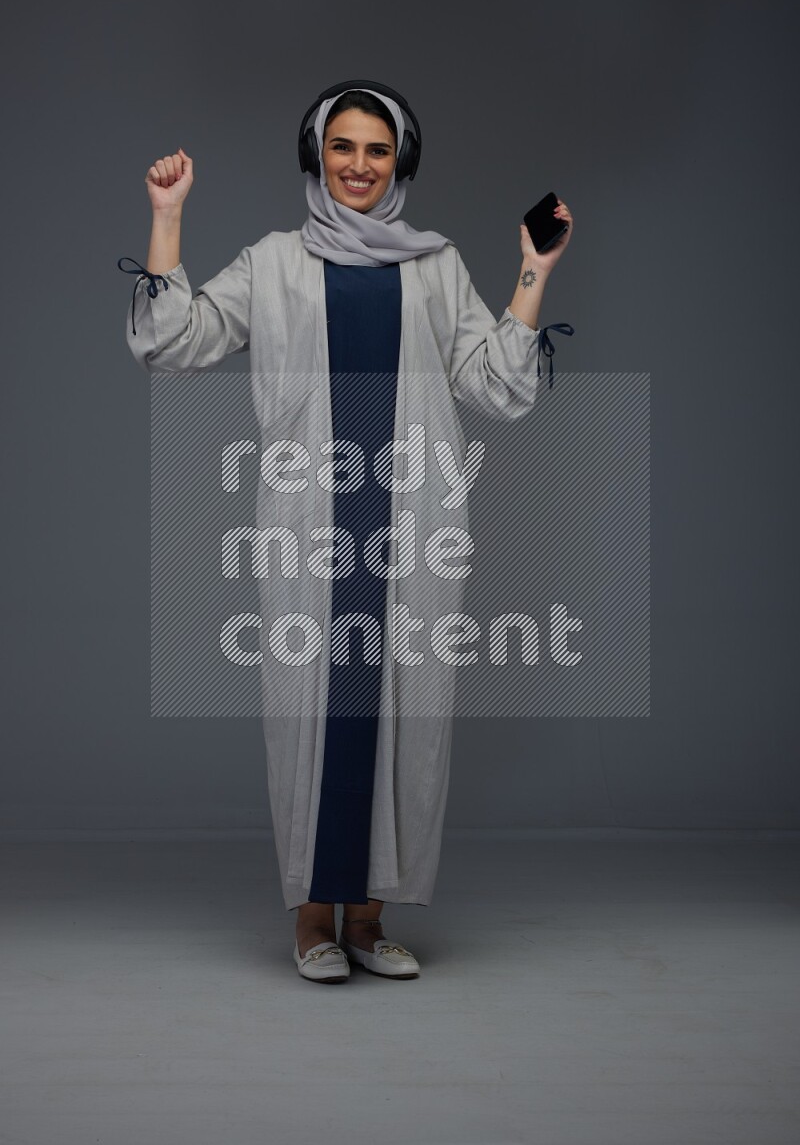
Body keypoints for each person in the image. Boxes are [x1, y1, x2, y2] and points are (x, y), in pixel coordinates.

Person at [119, 80, 573, 985]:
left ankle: (368, 918)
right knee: (309, 711)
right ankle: (310, 918)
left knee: (408, 709)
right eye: (342, 146)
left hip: (413, 521)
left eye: (376, 149)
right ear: (315, 154)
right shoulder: (275, 263)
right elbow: (173, 343)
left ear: (399, 161)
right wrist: (167, 218)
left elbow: (496, 386)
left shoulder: (434, 266)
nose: (359, 165)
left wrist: (534, 270)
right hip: (310, 525)